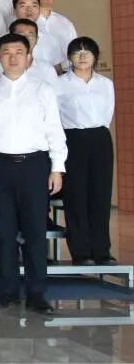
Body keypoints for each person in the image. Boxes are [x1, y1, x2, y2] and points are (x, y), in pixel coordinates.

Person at [0, 33, 67, 315]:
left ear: (29, 57)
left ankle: (36, 293)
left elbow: (54, 130)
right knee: (4, 233)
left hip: (35, 165)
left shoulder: (43, 90)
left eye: (19, 52)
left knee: (35, 232)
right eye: (7, 52)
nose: (13, 57)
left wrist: (57, 168)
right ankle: (7, 291)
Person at [57, 37, 116, 266]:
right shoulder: (60, 84)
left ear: (95, 56)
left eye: (87, 52)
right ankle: (80, 251)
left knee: (101, 195)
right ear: (69, 58)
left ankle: (101, 249)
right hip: (73, 139)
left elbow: (108, 112)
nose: (82, 56)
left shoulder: (105, 83)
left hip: (100, 139)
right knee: (76, 195)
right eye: (77, 52)